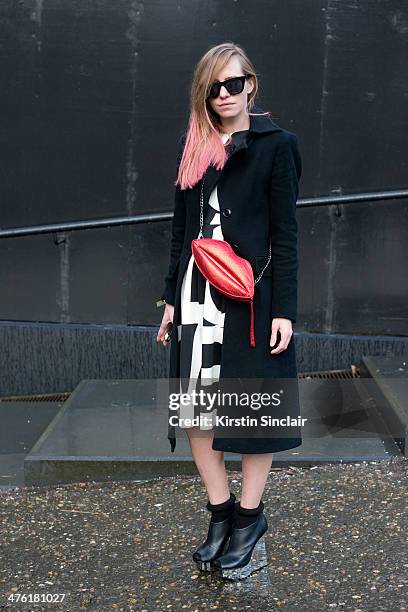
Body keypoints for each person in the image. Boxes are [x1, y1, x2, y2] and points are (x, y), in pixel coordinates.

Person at [156, 42, 303, 572]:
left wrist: (284, 309)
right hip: (197, 292)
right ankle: (220, 514)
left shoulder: (277, 145)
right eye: (213, 86)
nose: (224, 94)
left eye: (233, 83)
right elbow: (179, 231)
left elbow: (286, 235)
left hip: (251, 296)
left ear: (251, 86)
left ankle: (249, 516)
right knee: (198, 407)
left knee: (250, 410)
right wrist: (170, 298)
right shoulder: (192, 142)